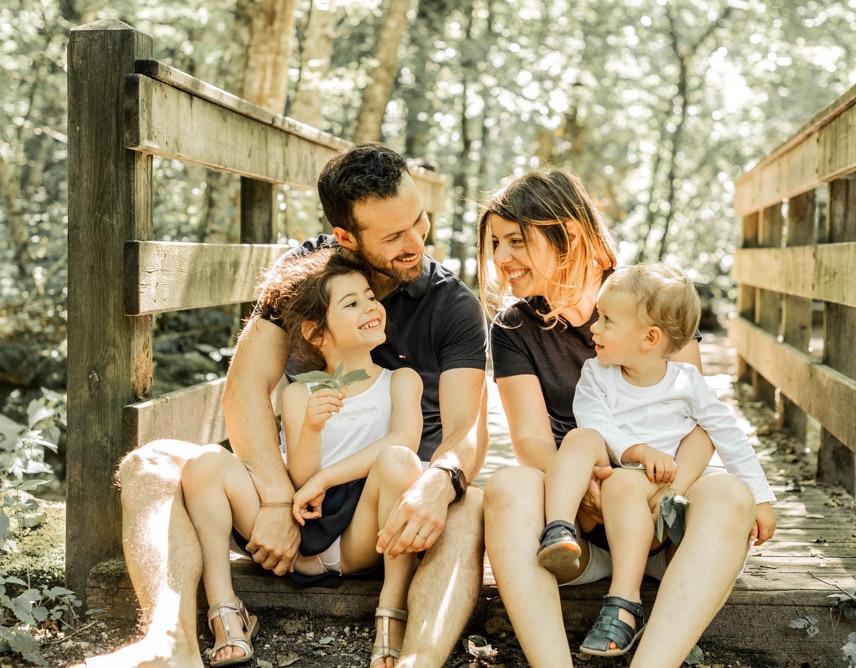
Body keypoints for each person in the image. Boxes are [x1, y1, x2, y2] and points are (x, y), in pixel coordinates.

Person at [78, 143, 489, 668]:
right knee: (149, 464)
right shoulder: (305, 275)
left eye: (419, 221)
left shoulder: (453, 306)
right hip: (293, 495)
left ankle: (416, 660)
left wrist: (438, 482)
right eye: (392, 236)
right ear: (346, 238)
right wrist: (275, 501)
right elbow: (246, 389)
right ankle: (168, 642)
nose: (416, 243)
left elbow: (465, 433)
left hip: (386, 517)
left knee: (467, 499)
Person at [477, 169, 777, 668]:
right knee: (507, 488)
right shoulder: (513, 326)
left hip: (664, 520)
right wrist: (591, 496)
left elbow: (700, 422)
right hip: (578, 526)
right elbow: (530, 439)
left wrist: (664, 492)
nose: (502, 258)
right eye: (496, 243)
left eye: (516, 241)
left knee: (729, 493)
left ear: (567, 235)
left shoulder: (644, 294)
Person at [180, 249, 424, 667]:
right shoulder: (299, 393)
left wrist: (326, 480)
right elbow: (300, 477)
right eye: (352, 303)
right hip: (297, 535)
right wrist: (310, 430)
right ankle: (225, 609)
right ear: (315, 333)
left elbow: (403, 439)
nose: (371, 307)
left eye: (370, 296)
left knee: (400, 460)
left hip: (356, 539)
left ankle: (392, 611)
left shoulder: (401, 381)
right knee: (204, 464)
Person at [536, 263, 775, 657]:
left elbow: (727, 434)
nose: (594, 327)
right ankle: (559, 530)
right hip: (612, 478)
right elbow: (594, 421)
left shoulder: (687, 382)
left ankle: (624, 603)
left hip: (661, 498)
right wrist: (638, 452)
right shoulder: (597, 373)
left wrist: (761, 499)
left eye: (607, 320)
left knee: (630, 484)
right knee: (580, 438)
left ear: (649, 337)